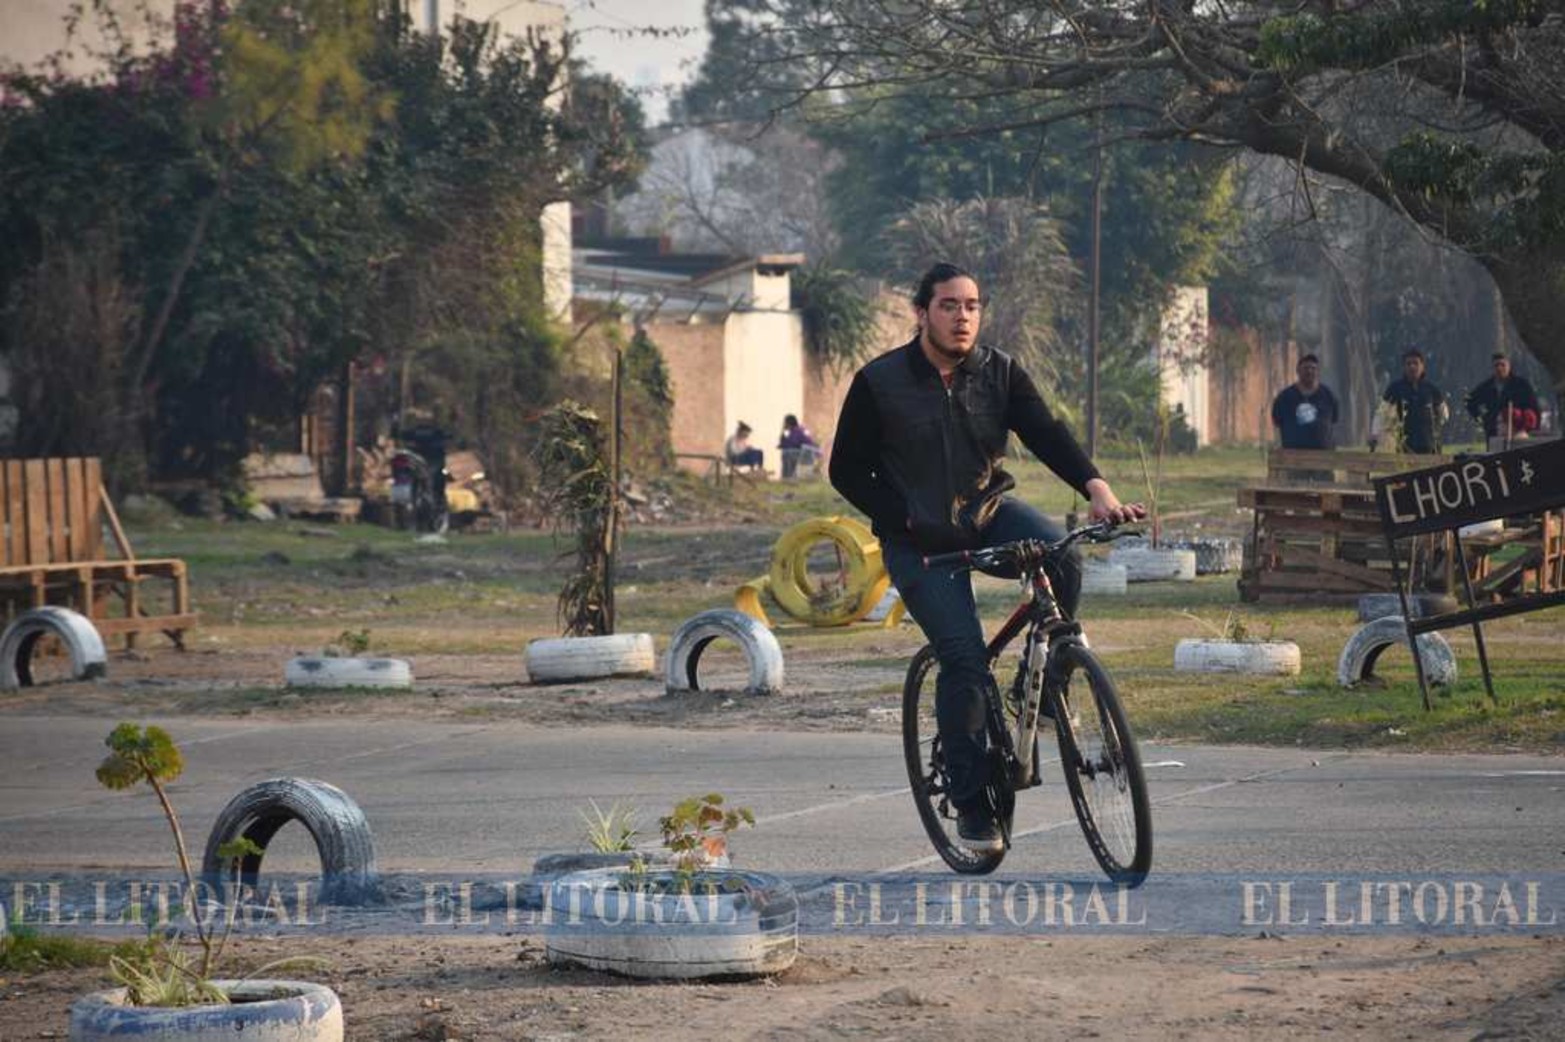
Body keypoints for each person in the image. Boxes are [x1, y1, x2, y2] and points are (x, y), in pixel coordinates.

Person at [829, 262, 1143, 853]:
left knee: (1063, 556)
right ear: (922, 313)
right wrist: (906, 521)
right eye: (949, 305)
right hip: (919, 542)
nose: (962, 316)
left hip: (986, 512)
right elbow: (846, 470)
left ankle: (1045, 686)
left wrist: (1098, 490)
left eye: (972, 305)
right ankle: (974, 806)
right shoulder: (879, 381)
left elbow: (1048, 433)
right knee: (966, 661)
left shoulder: (998, 372)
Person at [1465, 353, 1540, 452]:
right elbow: (1469, 400)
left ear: (1509, 365)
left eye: (1502, 365)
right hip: (1493, 431)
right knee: (1495, 459)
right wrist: (1482, 418)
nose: (1500, 368)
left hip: (1517, 431)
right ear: (1492, 368)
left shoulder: (1521, 385)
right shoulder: (1486, 387)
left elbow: (1533, 407)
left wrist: (1529, 424)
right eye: (1496, 365)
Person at [1381, 348, 1448, 454]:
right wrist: (1376, 433)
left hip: (1429, 444)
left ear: (1422, 366)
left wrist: (1436, 426)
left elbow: (1444, 414)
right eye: (1408, 364)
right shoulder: (1395, 388)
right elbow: (1382, 412)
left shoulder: (1431, 389)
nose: (1412, 366)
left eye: (1416, 363)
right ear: (1404, 367)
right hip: (1405, 444)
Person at [1270, 354, 1339, 450]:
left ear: (1318, 372)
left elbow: (1333, 421)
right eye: (1306, 368)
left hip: (1323, 456)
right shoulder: (1284, 397)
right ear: (1298, 371)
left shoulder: (1328, 396)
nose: (1310, 371)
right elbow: (1276, 422)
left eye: (1313, 368)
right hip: (1293, 456)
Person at [777, 414, 821, 478]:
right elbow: (784, 443)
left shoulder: (797, 430)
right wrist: (783, 433)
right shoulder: (789, 431)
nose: (784, 424)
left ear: (789, 422)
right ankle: (787, 477)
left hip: (806, 452)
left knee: (787, 453)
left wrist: (785, 443)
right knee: (786, 452)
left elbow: (794, 443)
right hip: (800, 451)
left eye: (785, 422)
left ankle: (787, 476)